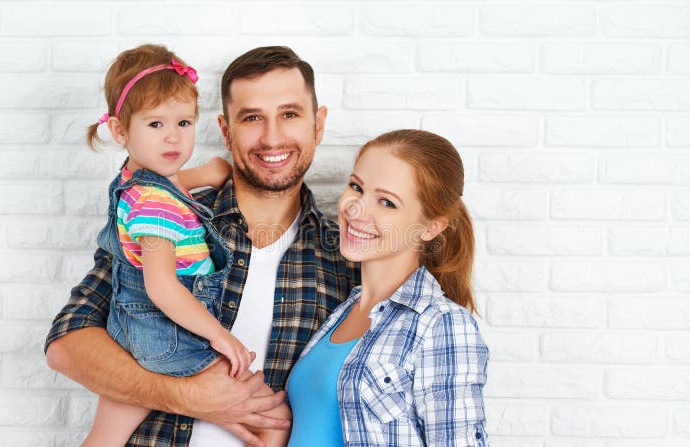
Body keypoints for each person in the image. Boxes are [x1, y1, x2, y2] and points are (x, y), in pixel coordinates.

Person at [45, 46, 359, 447]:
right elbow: (67, 344)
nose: (272, 136)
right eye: (252, 118)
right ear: (226, 131)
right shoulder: (168, 218)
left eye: (290, 114)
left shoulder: (345, 257)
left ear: (319, 124)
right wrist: (189, 397)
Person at [78, 43, 286, 447]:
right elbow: (163, 287)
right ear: (120, 130)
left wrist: (204, 173)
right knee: (272, 415)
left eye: (185, 123)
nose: (173, 138)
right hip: (167, 337)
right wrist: (219, 337)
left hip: (131, 331)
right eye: (155, 125)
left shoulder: (137, 183)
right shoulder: (157, 208)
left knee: (104, 438)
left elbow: (165, 188)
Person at [286, 129, 489, 446]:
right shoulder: (341, 311)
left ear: (430, 226)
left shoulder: (440, 325)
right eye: (357, 187)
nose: (356, 210)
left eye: (386, 202)